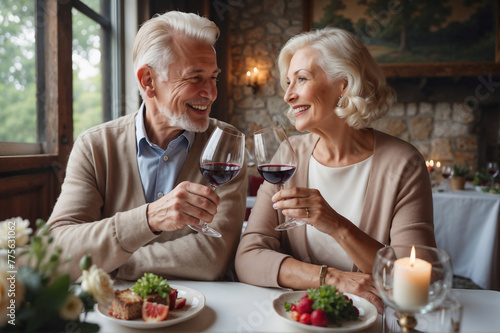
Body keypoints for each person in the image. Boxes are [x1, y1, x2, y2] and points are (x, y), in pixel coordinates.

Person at [235, 27, 435, 314]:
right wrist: (330, 279)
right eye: (289, 82)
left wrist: (337, 226)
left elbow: (415, 275)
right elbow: (248, 258)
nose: (288, 95)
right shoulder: (288, 155)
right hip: (304, 319)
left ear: (344, 85)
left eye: (301, 79)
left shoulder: (404, 163)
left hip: (376, 319)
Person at [48, 11, 247, 282]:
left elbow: (211, 258)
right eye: (194, 78)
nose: (211, 93)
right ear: (148, 81)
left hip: (203, 313)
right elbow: (58, 248)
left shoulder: (227, 145)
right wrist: (150, 218)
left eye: (213, 77)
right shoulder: (94, 146)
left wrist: (108, 261)